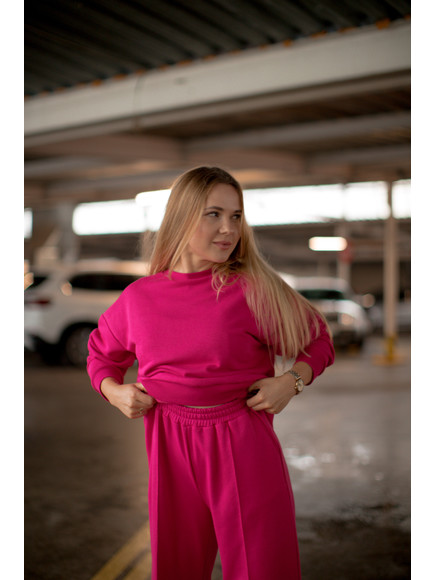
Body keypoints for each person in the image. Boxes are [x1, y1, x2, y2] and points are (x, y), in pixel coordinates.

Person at [87, 166, 335, 580]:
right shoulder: (139, 298)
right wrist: (113, 391)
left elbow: (318, 338)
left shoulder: (252, 289)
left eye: (236, 216)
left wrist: (291, 382)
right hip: (168, 440)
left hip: (243, 439)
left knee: (262, 569)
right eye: (214, 214)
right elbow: (100, 355)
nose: (228, 229)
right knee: (176, 568)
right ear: (182, 216)